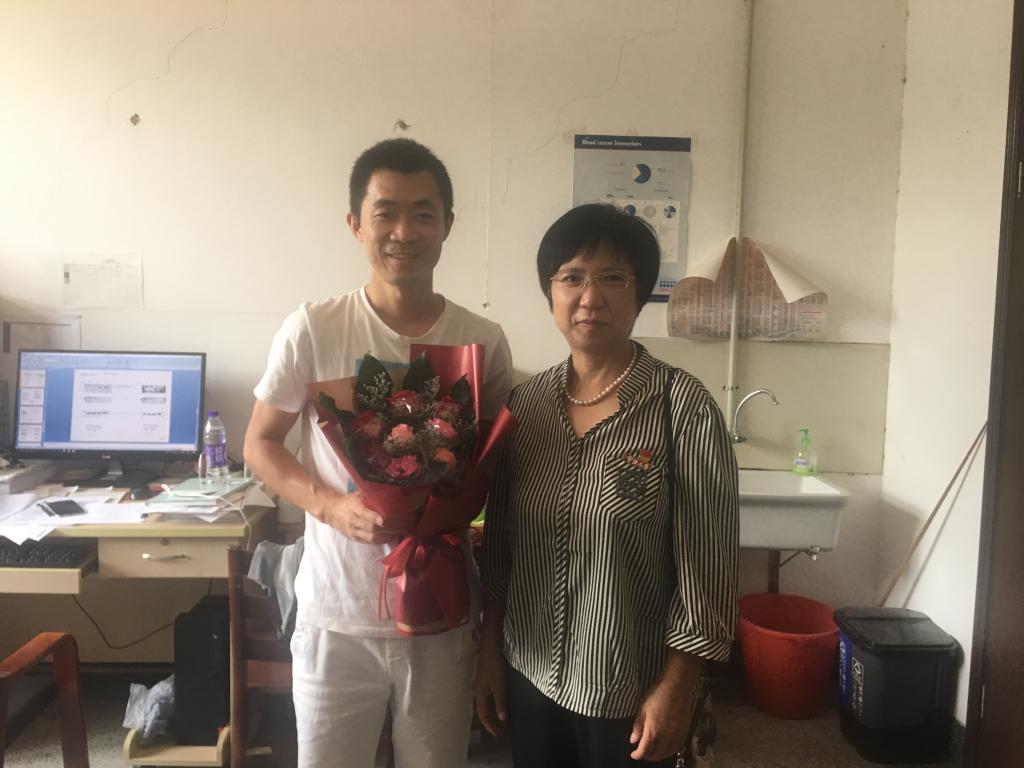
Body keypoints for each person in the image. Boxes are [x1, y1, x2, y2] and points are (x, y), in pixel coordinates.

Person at [244, 138, 513, 768]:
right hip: (336, 615)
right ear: (355, 224)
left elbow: (496, 470)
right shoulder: (315, 328)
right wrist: (330, 506)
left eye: (423, 214)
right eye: (385, 213)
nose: (403, 232)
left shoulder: (482, 341)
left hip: (442, 615)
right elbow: (260, 442)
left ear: (448, 224)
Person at [475, 203, 739, 768]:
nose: (589, 297)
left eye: (613, 278)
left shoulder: (682, 408)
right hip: (529, 672)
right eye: (571, 277)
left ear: (639, 295)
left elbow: (707, 567)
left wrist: (678, 687)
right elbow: (500, 547)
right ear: (550, 293)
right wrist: (489, 653)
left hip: (630, 689)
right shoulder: (525, 408)